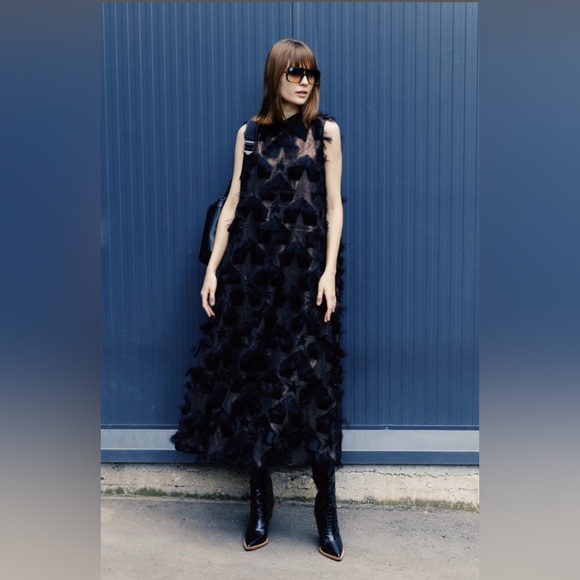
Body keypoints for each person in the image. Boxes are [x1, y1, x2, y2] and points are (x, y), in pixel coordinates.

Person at [171, 38, 345, 561]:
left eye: (311, 74)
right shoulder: (248, 135)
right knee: (254, 388)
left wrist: (329, 273)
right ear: (276, 76)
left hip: (307, 284)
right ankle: (260, 504)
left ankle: (326, 509)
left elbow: (334, 206)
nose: (305, 82)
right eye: (295, 73)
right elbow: (231, 206)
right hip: (252, 283)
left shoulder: (326, 132)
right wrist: (213, 270)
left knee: (315, 392)